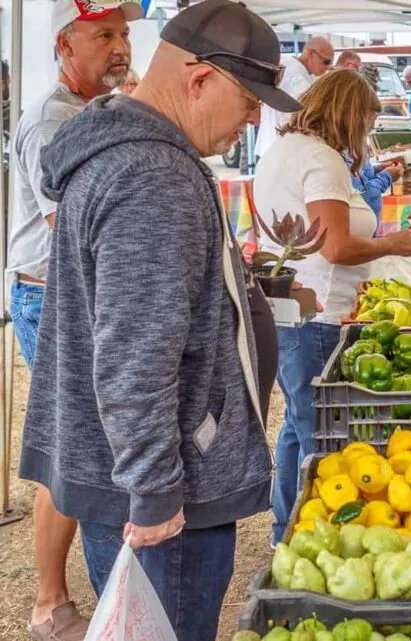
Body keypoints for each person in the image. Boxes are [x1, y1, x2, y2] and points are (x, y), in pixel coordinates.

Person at [19, 1, 299, 639]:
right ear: (200, 79)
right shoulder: (153, 176)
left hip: (150, 477)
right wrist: (154, 493)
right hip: (167, 499)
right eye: (249, 99)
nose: (254, 118)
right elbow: (135, 352)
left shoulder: (128, 156)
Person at [8, 2, 141, 639]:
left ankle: (59, 600)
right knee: (72, 449)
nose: (121, 47)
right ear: (65, 45)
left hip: (79, 298)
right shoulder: (53, 122)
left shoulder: (96, 112)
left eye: (124, 34)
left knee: (78, 447)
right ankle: (51, 603)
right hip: (51, 297)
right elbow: (83, 230)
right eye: (104, 36)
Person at [252, 69, 411, 546]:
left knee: (298, 424)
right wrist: (392, 245)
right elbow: (336, 247)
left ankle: (284, 529)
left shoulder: (282, 151)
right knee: (320, 434)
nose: (365, 135)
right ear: (348, 115)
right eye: (365, 123)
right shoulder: (321, 159)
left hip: (292, 309)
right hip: (319, 314)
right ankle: (314, 540)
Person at [254, 35, 334, 159]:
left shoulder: (287, 68)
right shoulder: (297, 81)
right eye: (326, 61)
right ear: (311, 54)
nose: (328, 67)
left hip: (272, 148)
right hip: (282, 152)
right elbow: (305, 121)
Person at [348, 157, 403, 227]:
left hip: (373, 225)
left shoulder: (354, 149)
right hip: (360, 231)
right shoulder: (337, 158)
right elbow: (359, 197)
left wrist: (376, 170)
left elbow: (365, 177)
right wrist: (385, 177)